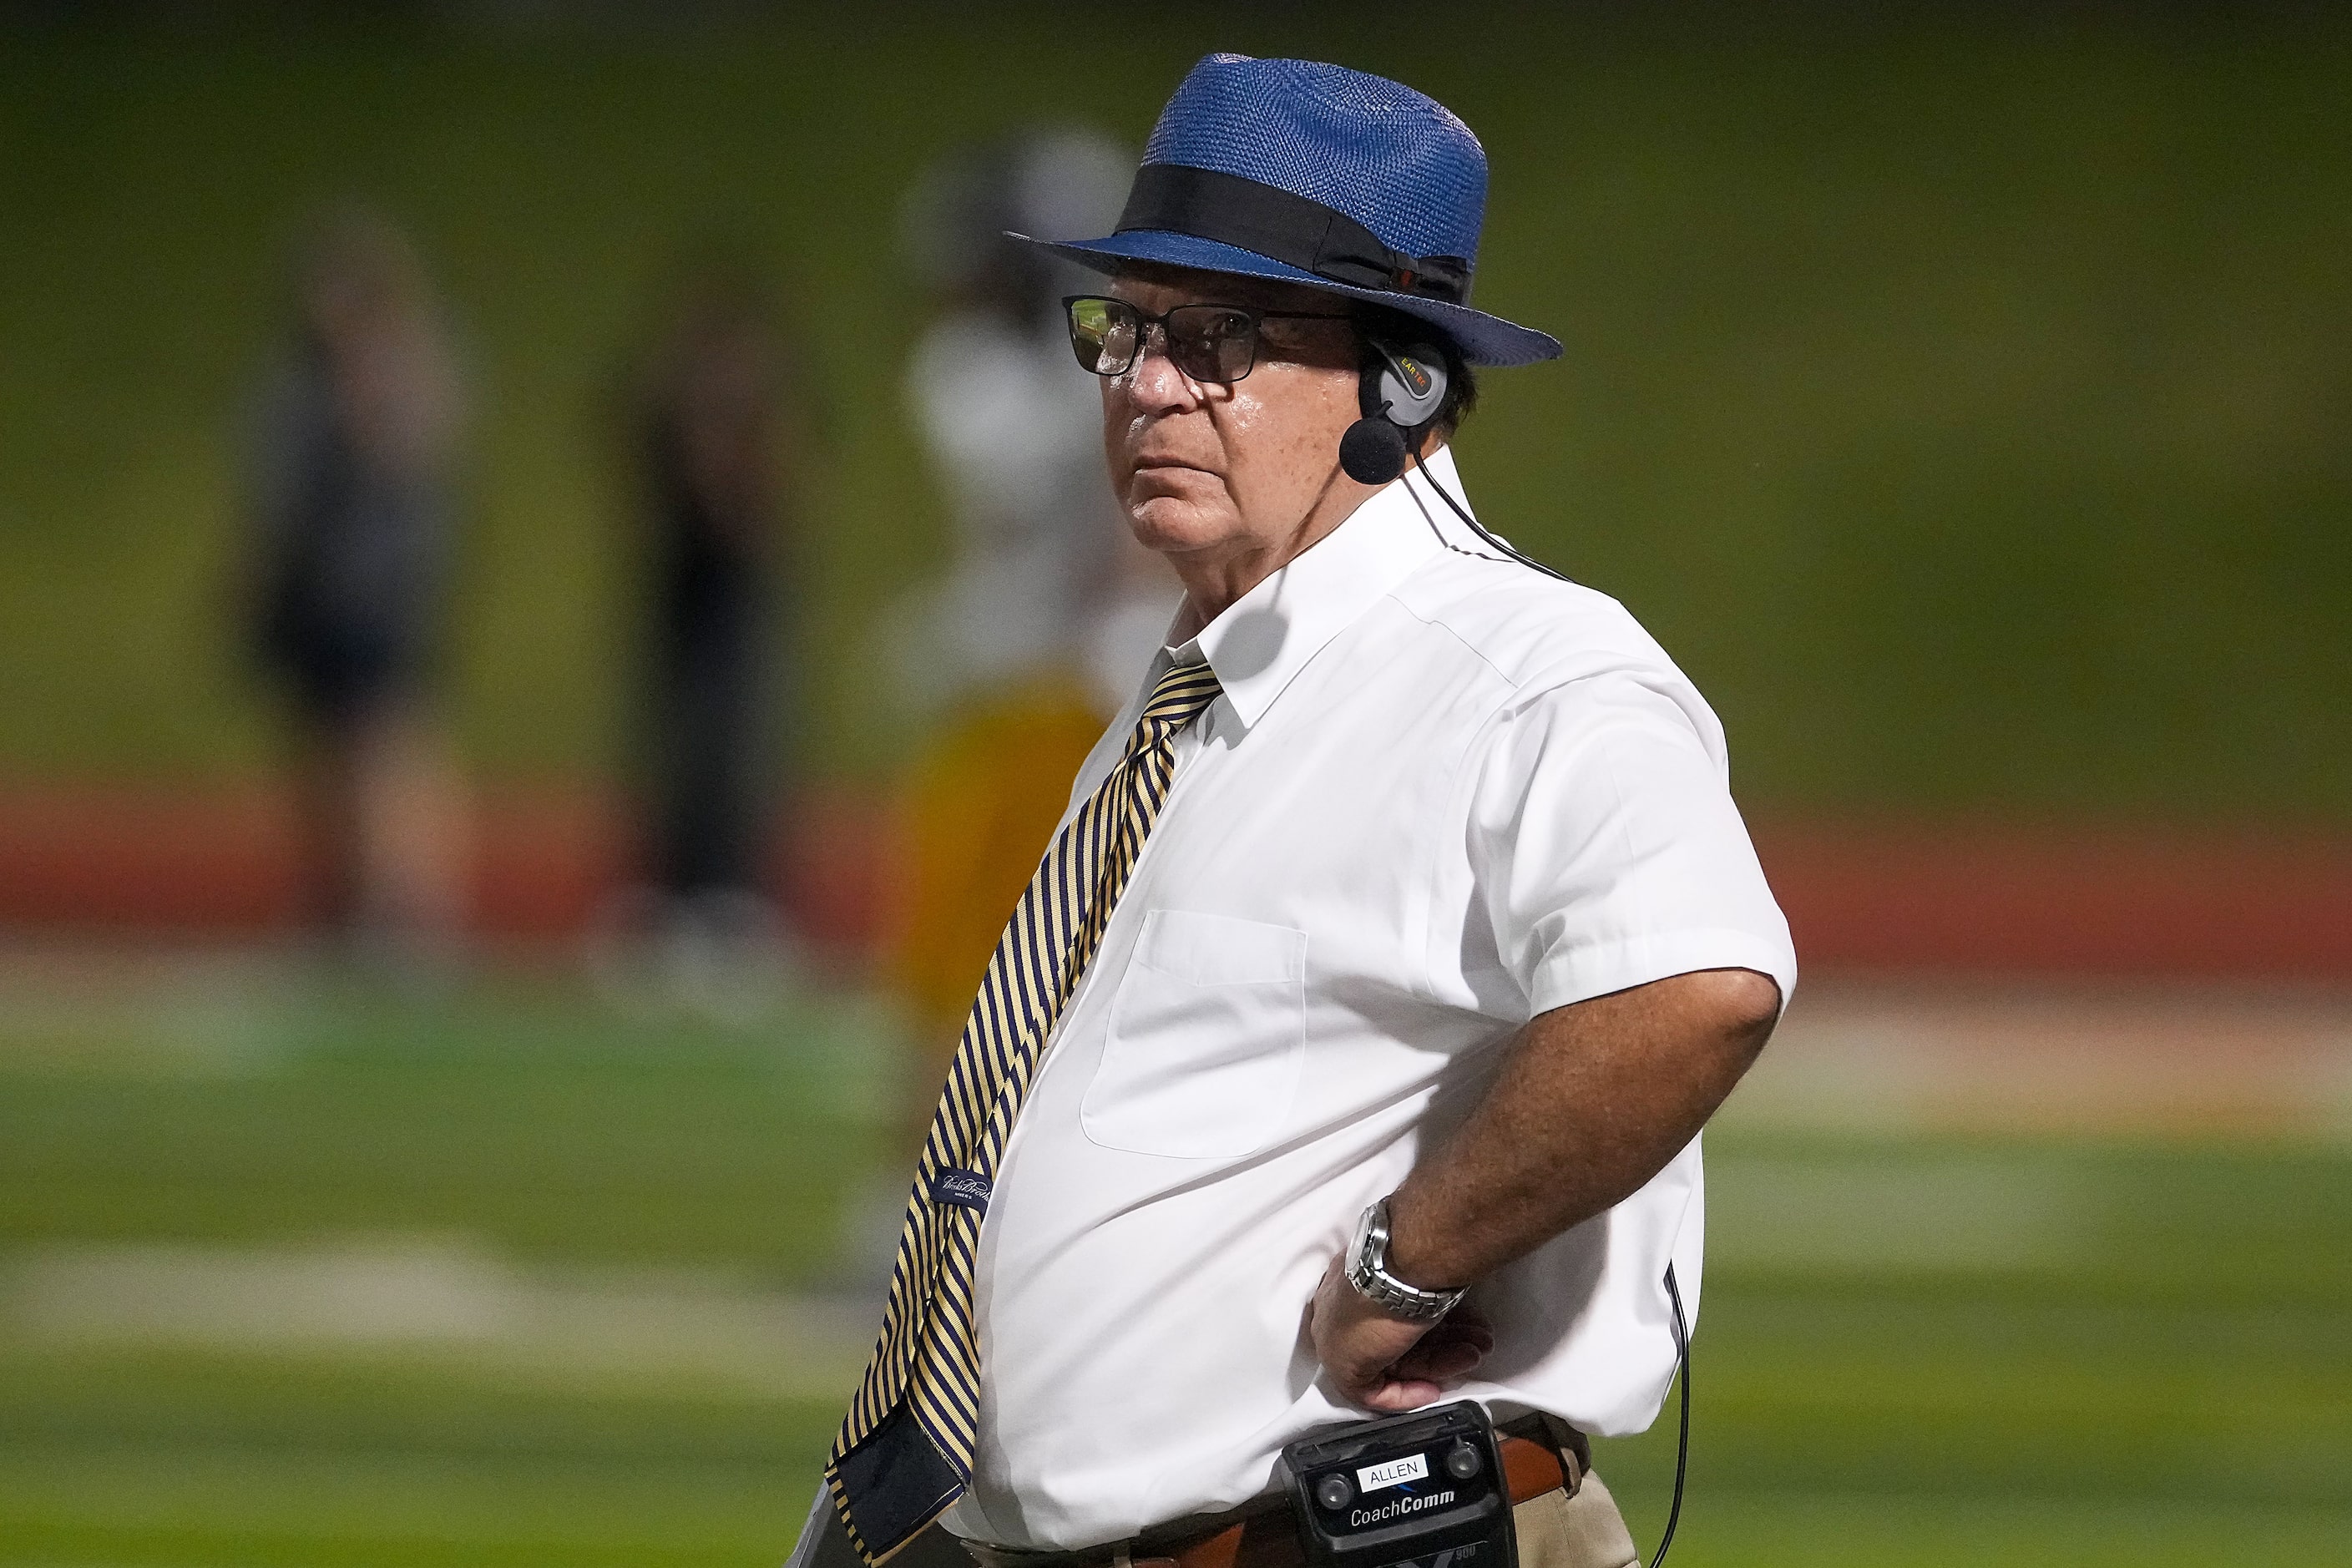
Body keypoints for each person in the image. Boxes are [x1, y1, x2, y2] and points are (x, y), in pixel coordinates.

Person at [793, 54, 1796, 1568]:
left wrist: (1410, 1257)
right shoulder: (1192, 679)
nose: (1143, 383)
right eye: (1126, 328)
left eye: (1220, 340)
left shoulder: (1523, 671)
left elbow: (1696, 984)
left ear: (1399, 378)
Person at [245, 205, 470, 967]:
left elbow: (415, 452)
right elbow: (274, 495)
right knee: (320, 754)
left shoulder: (406, 367)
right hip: (313, 598)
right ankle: (337, 904)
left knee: (386, 749)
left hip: (382, 597)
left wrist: (370, 380)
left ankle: (407, 911)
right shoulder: (294, 383)